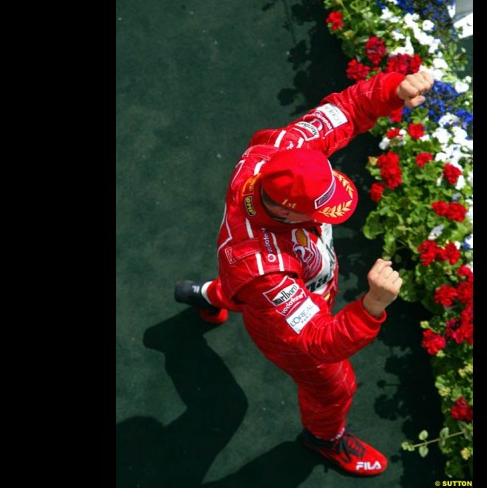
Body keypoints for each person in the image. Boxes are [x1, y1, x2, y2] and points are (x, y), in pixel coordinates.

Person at [174, 69, 434, 476]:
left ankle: (205, 295)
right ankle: (323, 437)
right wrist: (371, 306)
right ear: (285, 210)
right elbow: (316, 341)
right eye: (319, 210)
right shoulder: (266, 272)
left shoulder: (284, 150)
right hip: (281, 305)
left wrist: (392, 90)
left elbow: (343, 109)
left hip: (250, 281)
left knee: (241, 289)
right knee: (334, 387)